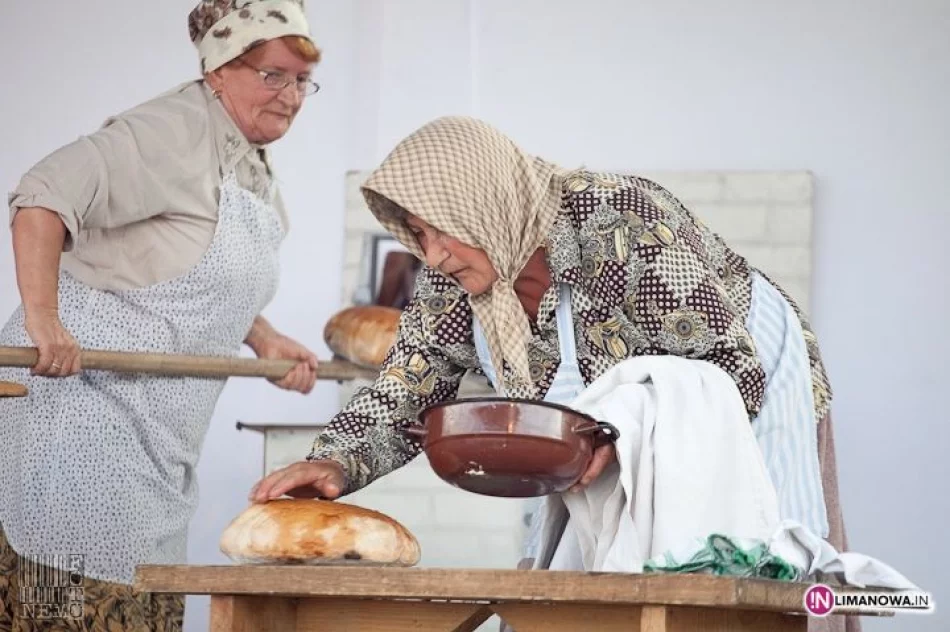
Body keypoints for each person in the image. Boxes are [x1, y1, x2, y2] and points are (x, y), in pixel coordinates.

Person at [250, 117, 858, 632]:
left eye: (441, 229)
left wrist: (619, 436)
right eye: (418, 235)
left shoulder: (616, 220)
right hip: (618, 438)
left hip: (755, 388)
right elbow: (410, 382)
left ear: (483, 203)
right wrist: (335, 462)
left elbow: (728, 369)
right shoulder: (452, 283)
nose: (432, 254)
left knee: (769, 573)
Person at [0, 1, 322, 629]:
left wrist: (263, 337)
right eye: (273, 75)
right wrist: (43, 318)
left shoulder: (247, 157)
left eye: (302, 80)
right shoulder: (169, 131)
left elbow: (186, 270)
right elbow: (42, 196)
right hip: (77, 426)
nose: (290, 97)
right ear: (219, 70)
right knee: (67, 613)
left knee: (141, 609)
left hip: (155, 447)